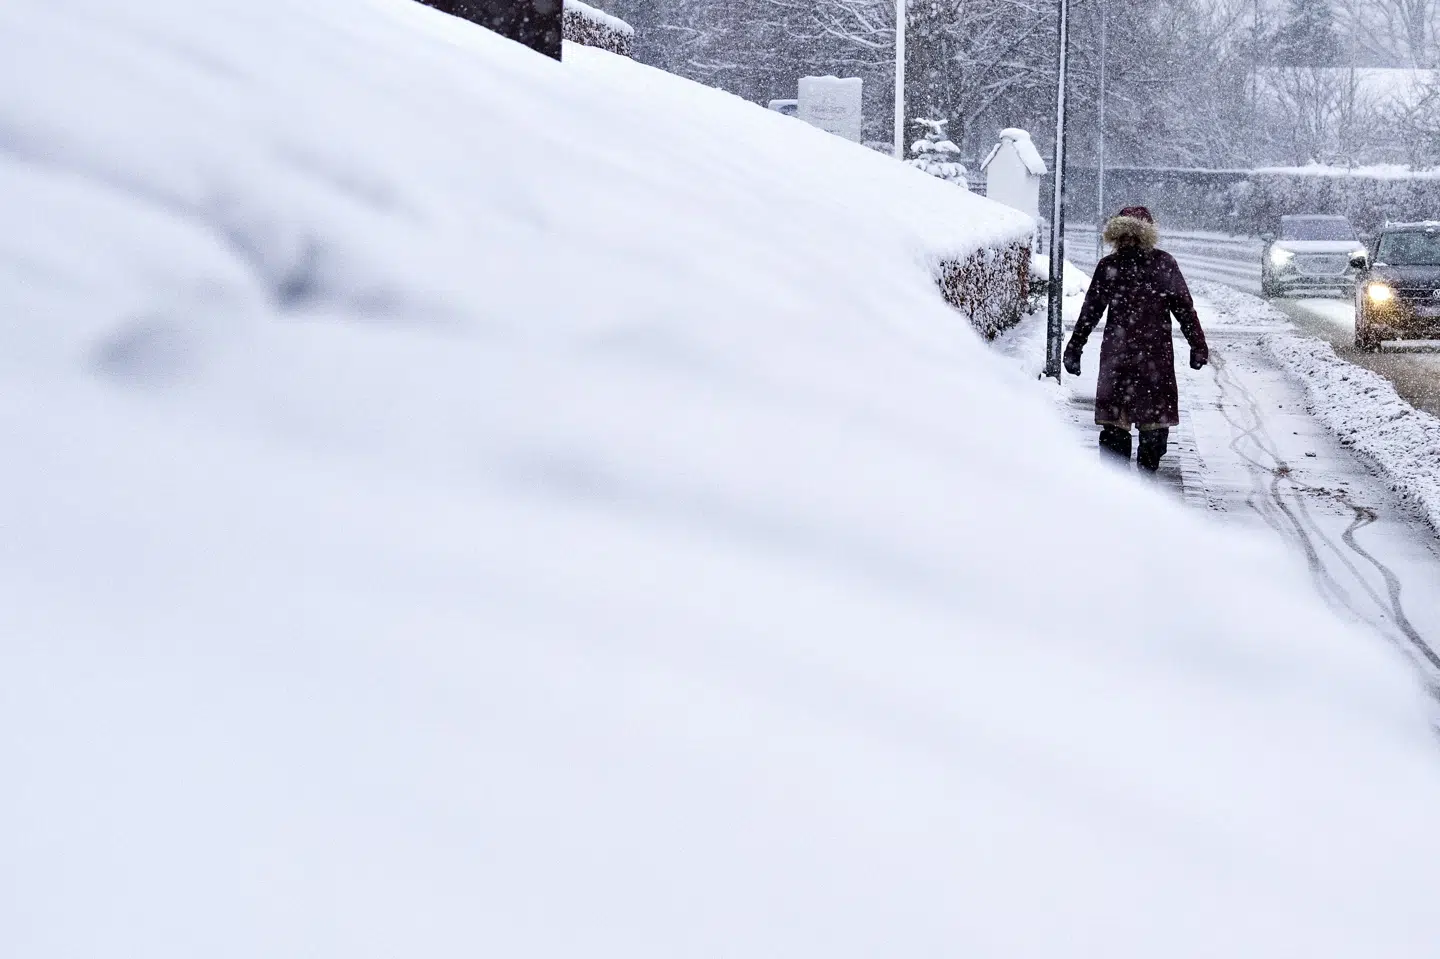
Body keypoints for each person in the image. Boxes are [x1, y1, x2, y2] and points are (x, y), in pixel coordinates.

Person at [1062, 206, 1209, 473]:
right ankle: (1138, 481)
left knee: (1121, 429)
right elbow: (1184, 309)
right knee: (1145, 429)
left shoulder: (1113, 266)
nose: (1128, 241)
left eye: (1132, 236)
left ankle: (1125, 483)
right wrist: (1197, 345)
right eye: (1124, 236)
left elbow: (1091, 311)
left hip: (1122, 358)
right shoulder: (1161, 263)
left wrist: (1075, 347)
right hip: (1151, 359)